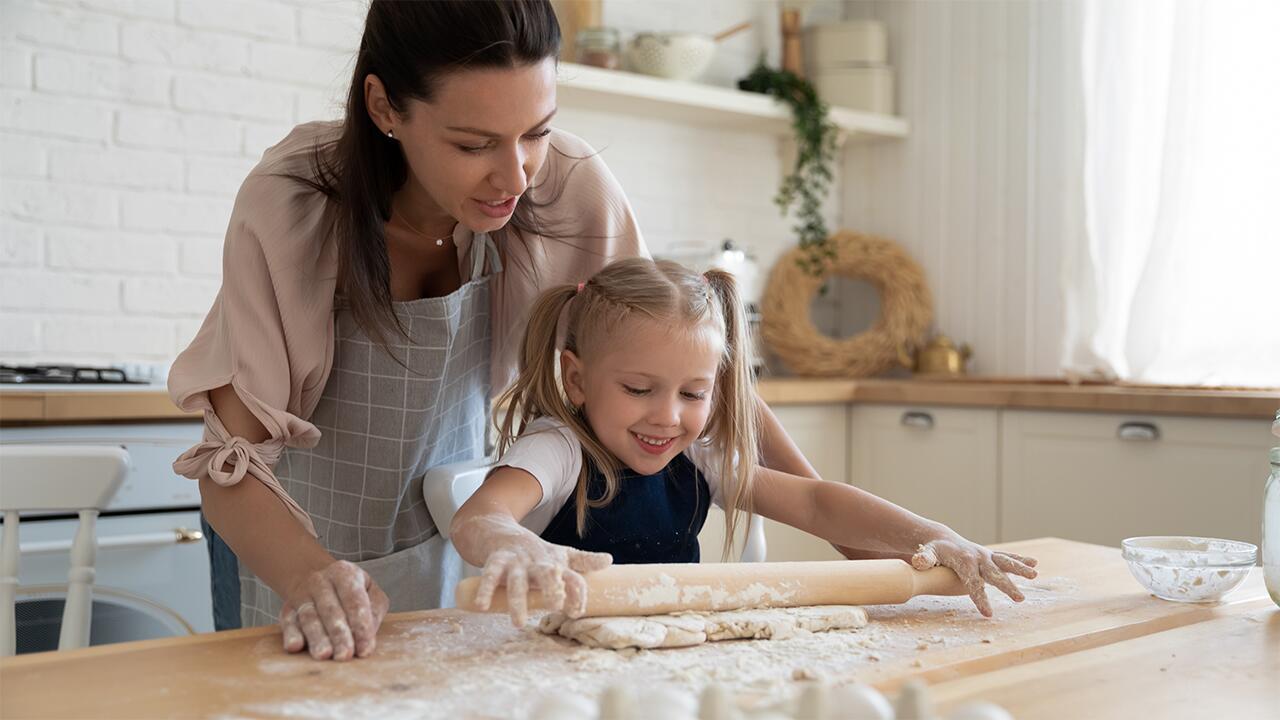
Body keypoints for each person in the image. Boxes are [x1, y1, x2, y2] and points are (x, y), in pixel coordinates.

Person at [168, 0, 652, 661]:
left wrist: (826, 507)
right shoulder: (295, 202)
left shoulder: (562, 183)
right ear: (384, 107)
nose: (515, 176)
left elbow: (679, 352)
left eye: (536, 132)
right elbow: (232, 468)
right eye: (473, 144)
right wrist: (311, 575)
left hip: (443, 539)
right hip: (283, 547)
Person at [450, 258, 1039, 627]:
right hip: (558, 661)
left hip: (674, 651)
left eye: (693, 393)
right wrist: (513, 543)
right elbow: (478, 518)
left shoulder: (695, 457)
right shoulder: (559, 449)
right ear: (576, 379)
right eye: (638, 389)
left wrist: (936, 536)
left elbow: (815, 502)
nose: (667, 417)